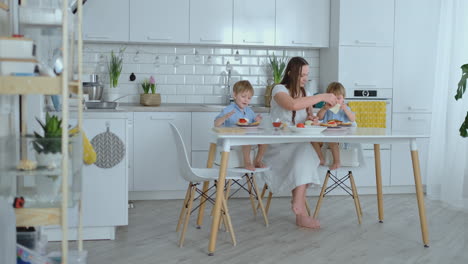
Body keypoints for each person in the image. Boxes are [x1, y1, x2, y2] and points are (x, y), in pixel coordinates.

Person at [262, 57, 337, 229]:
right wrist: (322, 96)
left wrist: (313, 119)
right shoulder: (279, 89)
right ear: (290, 73)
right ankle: (300, 210)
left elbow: (311, 117)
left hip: (299, 144)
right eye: (302, 75)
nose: (305, 79)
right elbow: (292, 105)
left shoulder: (306, 94)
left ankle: (299, 208)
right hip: (278, 145)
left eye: (307, 75)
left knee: (305, 152)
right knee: (307, 153)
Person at [214, 80, 268, 171]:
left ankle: (257, 160)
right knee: (246, 140)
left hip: (246, 140)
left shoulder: (249, 111)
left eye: (249, 98)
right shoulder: (228, 110)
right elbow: (216, 124)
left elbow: (253, 125)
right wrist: (225, 117)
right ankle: (247, 162)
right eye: (243, 96)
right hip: (232, 141)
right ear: (235, 95)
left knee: (264, 141)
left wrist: (256, 121)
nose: (246, 100)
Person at [312, 82, 356, 170]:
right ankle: (320, 158)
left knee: (332, 141)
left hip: (341, 135)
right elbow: (319, 117)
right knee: (312, 140)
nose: (336, 101)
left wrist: (346, 110)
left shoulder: (345, 108)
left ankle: (337, 162)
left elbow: (352, 119)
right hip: (326, 134)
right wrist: (324, 109)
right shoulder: (327, 108)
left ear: (343, 99)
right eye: (333, 99)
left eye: (339, 98)